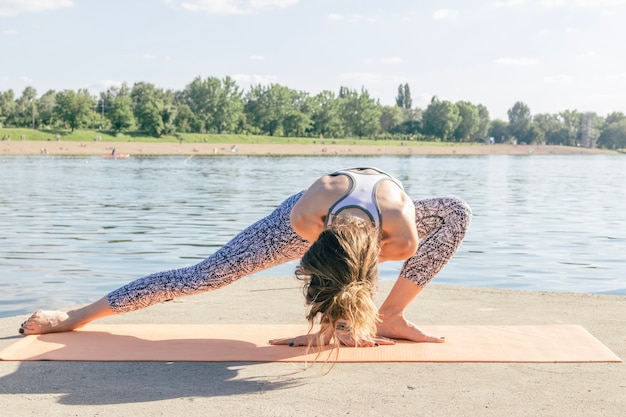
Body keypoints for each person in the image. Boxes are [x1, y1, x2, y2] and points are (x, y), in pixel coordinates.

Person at [19, 167, 471, 348]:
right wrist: (333, 324)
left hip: (370, 227)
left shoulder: (403, 233)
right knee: (203, 276)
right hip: (299, 225)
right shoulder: (307, 213)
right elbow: (322, 269)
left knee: (455, 211)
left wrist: (349, 323)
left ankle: (390, 316)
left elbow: (358, 269)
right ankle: (76, 315)